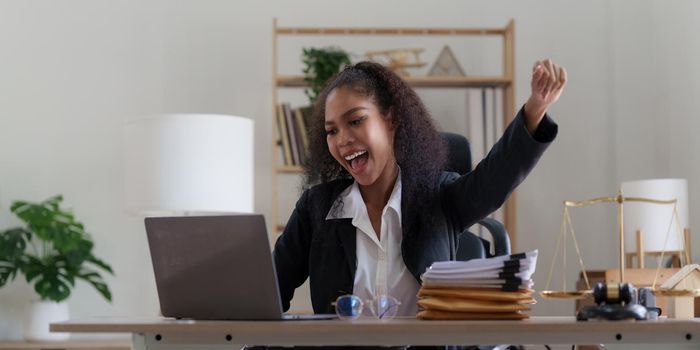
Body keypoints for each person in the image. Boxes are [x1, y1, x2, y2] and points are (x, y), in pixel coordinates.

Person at [273, 59, 566, 320]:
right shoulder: (316, 207)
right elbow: (270, 290)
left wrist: (535, 109)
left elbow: (497, 177)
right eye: (331, 131)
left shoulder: (440, 196)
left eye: (355, 121)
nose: (342, 140)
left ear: (391, 120)